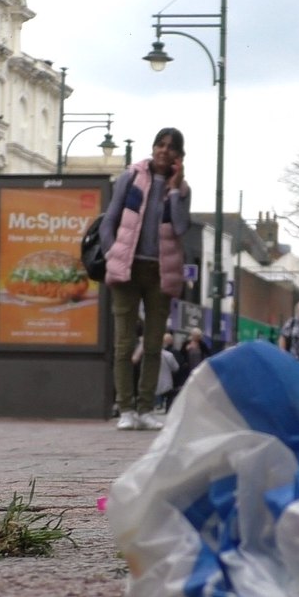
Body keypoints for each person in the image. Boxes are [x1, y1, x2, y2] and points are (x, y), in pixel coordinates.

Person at [99, 128, 190, 431]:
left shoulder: (182, 189)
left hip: (160, 272)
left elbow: (179, 227)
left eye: (171, 147)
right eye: (159, 145)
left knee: (153, 346)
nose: (163, 150)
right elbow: (110, 218)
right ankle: (126, 409)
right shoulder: (131, 176)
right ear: (152, 148)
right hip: (127, 267)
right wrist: (113, 253)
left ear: (179, 156)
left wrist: (175, 189)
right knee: (124, 344)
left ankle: (146, 408)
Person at [155, 333, 180, 412]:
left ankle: (156, 406)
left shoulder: (150, 355)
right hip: (166, 384)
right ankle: (168, 409)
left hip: (153, 384)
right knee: (170, 394)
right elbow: (176, 368)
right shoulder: (169, 355)